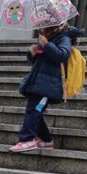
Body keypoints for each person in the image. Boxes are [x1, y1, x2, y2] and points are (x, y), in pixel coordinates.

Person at [10, 23, 78, 153]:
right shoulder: (47, 37)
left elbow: (63, 55)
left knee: (34, 110)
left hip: (48, 86)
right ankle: (46, 140)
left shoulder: (64, 38)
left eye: (44, 24)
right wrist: (32, 53)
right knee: (35, 111)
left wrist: (47, 45)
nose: (40, 27)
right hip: (38, 82)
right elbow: (37, 61)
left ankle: (27, 140)